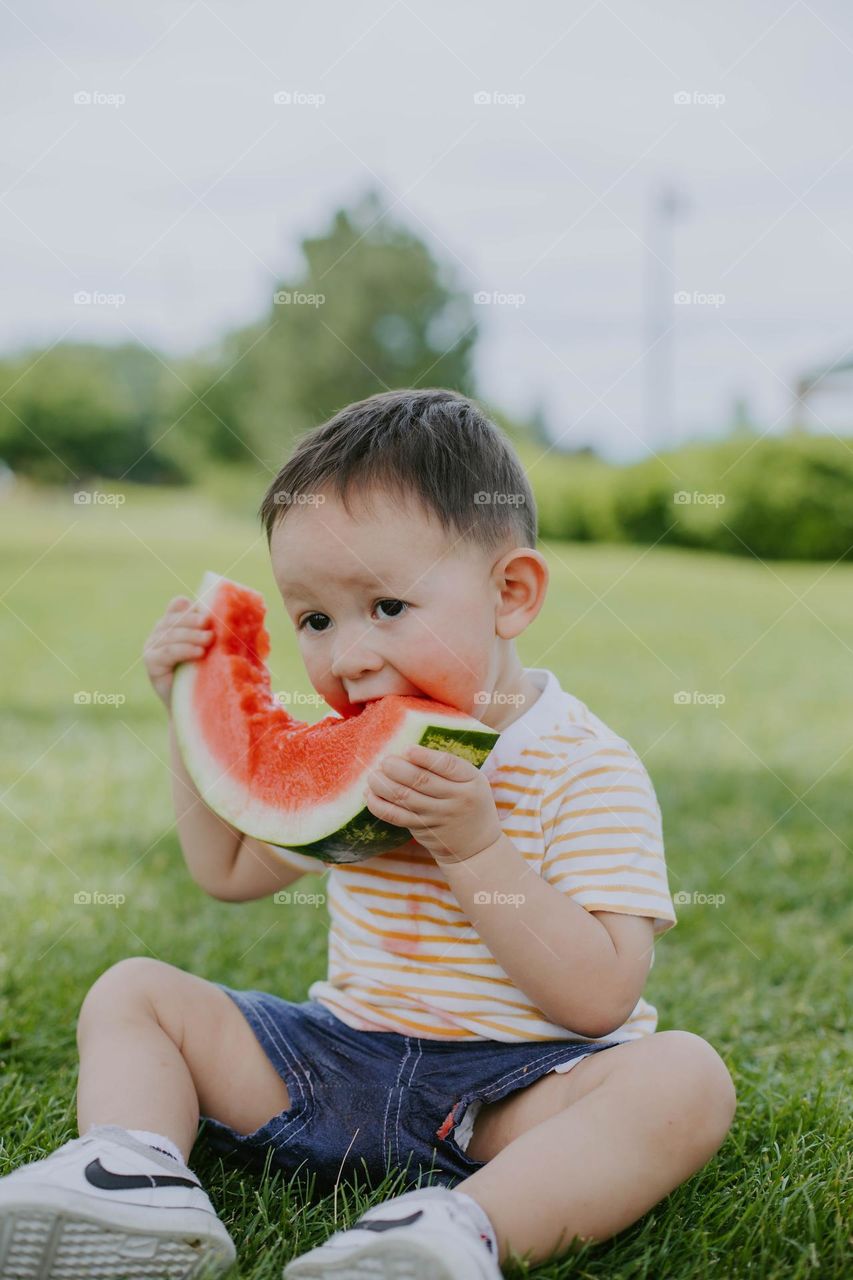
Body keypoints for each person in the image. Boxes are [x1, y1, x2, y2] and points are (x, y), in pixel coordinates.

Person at [0, 389, 736, 1280]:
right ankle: (133, 1173)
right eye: (313, 619)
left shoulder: (585, 766)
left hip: (515, 1102)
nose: (346, 656)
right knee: (134, 991)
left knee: (683, 1080)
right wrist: (190, 716)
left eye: (386, 607)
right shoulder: (353, 754)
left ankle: (456, 1231)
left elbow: (598, 998)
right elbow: (227, 867)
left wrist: (474, 848)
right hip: (333, 1067)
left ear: (509, 593)